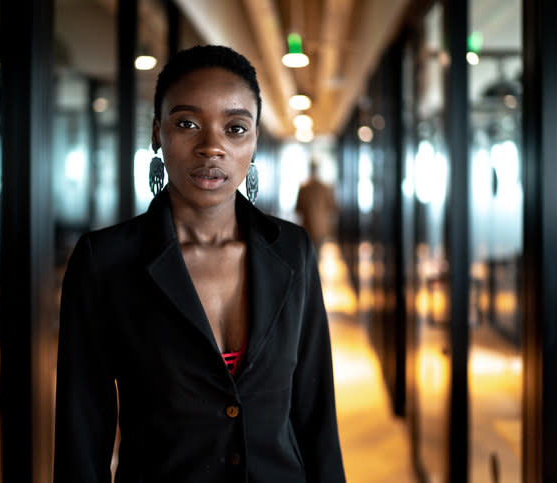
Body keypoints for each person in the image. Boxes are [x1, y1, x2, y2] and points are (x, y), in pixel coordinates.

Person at [53, 45, 345, 483]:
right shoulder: (105, 262)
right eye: (187, 123)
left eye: (235, 128)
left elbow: (316, 415)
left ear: (255, 140)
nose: (212, 147)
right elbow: (82, 434)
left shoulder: (291, 251)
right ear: (157, 132)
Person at [295, 160, 338, 254]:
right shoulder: (325, 188)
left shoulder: (304, 188)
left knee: (308, 253)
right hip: (320, 227)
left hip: (307, 226)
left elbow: (298, 209)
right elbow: (332, 207)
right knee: (317, 253)